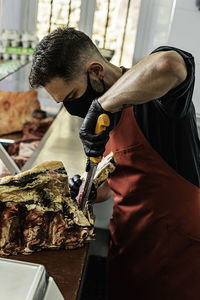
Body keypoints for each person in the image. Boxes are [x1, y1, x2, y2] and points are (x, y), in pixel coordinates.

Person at [29, 27, 200, 300]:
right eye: (64, 103)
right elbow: (118, 181)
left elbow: (171, 64)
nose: (74, 109)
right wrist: (92, 189)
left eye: (73, 97)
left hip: (174, 248)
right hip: (128, 241)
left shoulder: (155, 97)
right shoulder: (101, 116)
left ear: (96, 71)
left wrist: (102, 105)